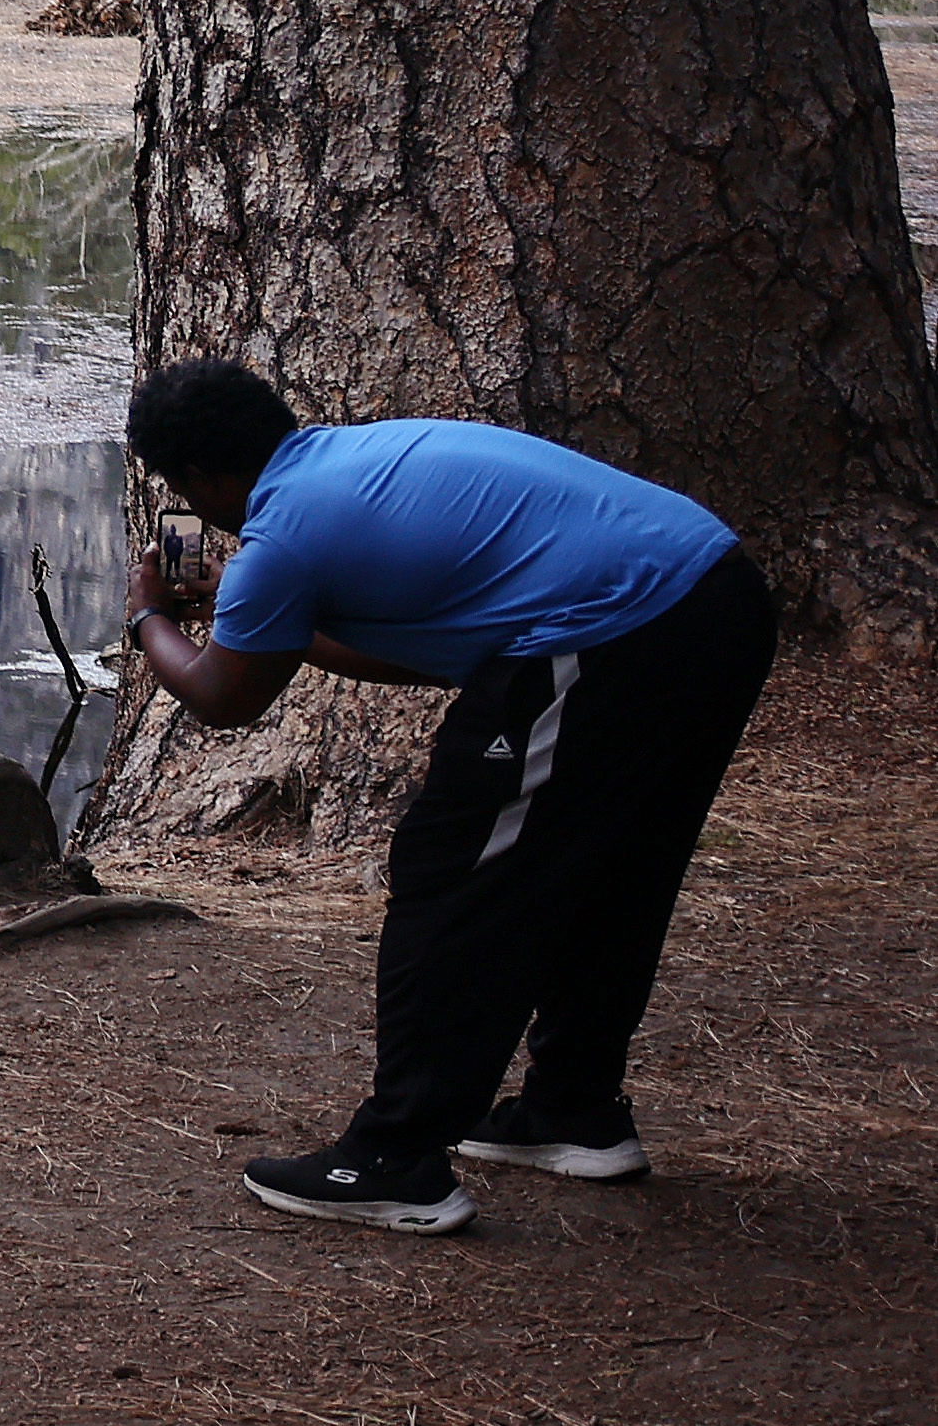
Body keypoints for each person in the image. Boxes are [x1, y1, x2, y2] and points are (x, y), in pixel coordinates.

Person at [120, 358, 777, 1234]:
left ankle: (393, 1156)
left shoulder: (277, 542)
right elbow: (450, 651)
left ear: (198, 479)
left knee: (456, 865)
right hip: (712, 593)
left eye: (181, 488)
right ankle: (570, 1109)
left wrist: (145, 618)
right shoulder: (354, 460)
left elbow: (223, 697)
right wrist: (275, 629)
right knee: (612, 863)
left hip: (615, 627)